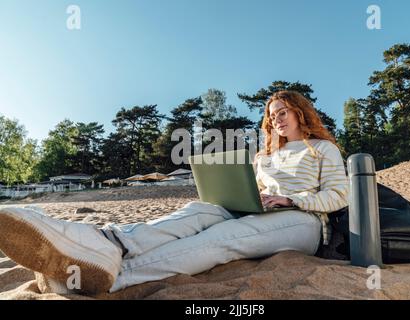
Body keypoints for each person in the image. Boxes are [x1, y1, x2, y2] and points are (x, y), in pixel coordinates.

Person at [0, 91, 349, 294]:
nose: (276, 120)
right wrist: (248, 196)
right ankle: (112, 243)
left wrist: (292, 199)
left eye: (282, 112)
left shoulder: (323, 150)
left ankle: (118, 276)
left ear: (301, 112)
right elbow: (257, 189)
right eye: (271, 117)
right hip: (260, 210)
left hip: (304, 223)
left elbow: (339, 195)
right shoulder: (266, 155)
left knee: (224, 236)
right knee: (198, 212)